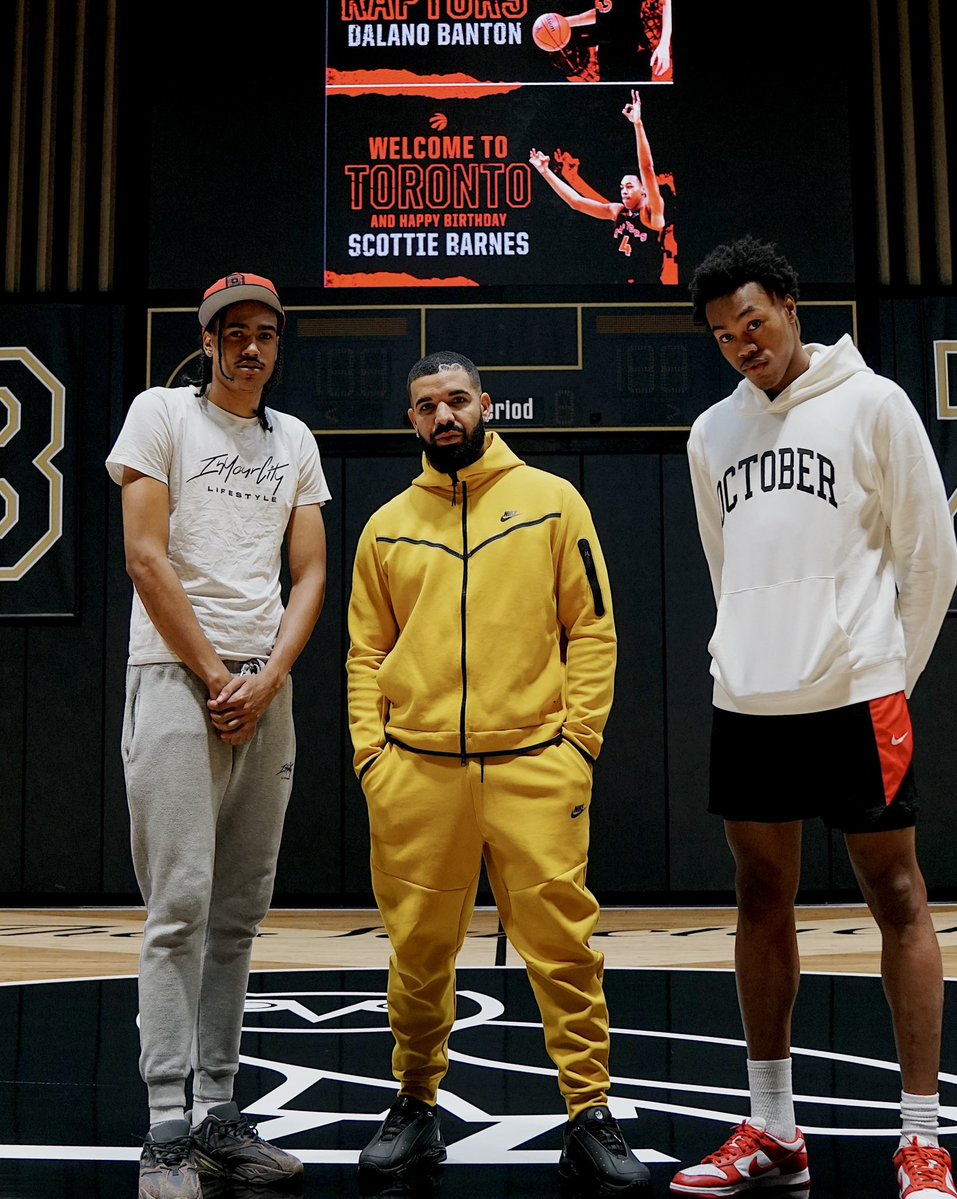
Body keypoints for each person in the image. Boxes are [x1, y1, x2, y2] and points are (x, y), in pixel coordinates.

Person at [672, 235, 957, 1199]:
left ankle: (921, 1136)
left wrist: (885, 670)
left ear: (790, 306)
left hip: (857, 695)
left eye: (751, 322)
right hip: (751, 700)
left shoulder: (874, 403)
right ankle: (771, 1126)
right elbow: (724, 568)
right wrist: (748, 646)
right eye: (722, 335)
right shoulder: (709, 433)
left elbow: (932, 558)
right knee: (759, 899)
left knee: (899, 897)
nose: (741, 344)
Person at [346, 351, 649, 1196]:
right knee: (415, 957)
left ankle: (588, 1113)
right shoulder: (385, 526)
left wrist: (578, 743)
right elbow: (364, 650)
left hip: (534, 769)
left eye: (454, 399)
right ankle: (414, 1106)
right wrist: (373, 755)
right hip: (417, 775)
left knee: (564, 952)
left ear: (484, 404)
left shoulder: (553, 501)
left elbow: (591, 628)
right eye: (424, 405)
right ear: (410, 421)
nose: (441, 415)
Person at [106, 272, 330, 1198]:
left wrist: (267, 677)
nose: (250, 347)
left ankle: (219, 1114)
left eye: (265, 334)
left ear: (279, 345)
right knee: (178, 909)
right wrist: (213, 675)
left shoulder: (295, 441)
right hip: (175, 677)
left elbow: (311, 571)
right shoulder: (161, 414)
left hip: (261, 688)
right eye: (232, 332)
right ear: (207, 341)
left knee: (236, 914)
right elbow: (144, 555)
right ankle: (165, 1130)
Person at [530, 90, 671, 285]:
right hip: (618, 284)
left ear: (644, 191)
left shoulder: (652, 215)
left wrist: (637, 124)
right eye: (622, 186)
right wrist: (545, 172)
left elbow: (647, 169)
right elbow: (576, 202)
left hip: (648, 286)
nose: (624, 190)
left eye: (629, 186)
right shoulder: (618, 212)